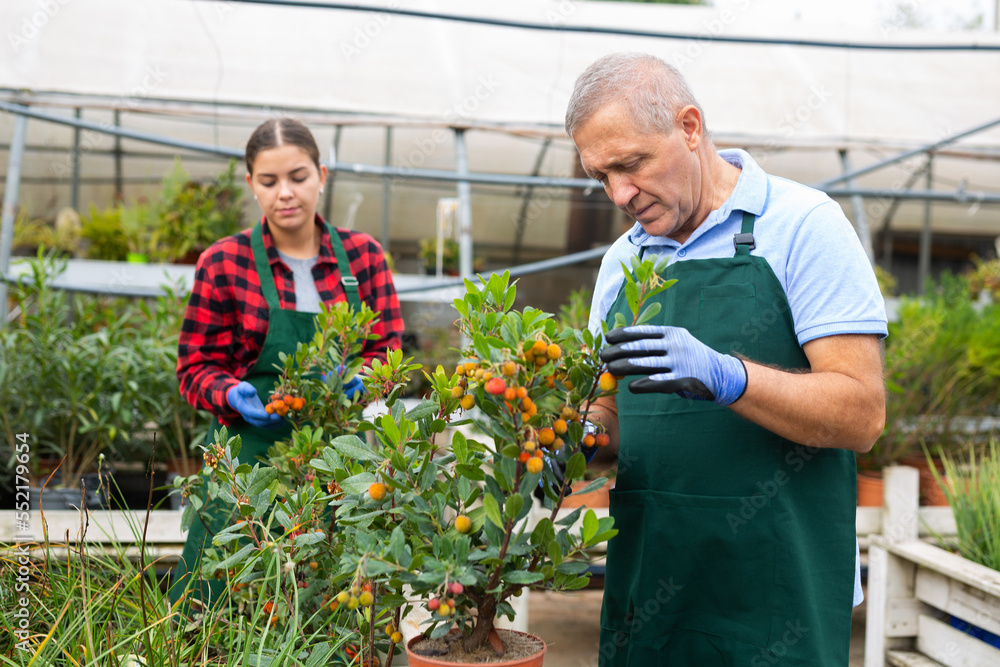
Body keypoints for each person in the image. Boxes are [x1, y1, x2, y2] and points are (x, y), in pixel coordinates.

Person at [567, 54, 886, 666]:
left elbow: (861, 414)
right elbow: (607, 414)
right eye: (601, 176)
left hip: (777, 592)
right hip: (651, 590)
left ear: (690, 128)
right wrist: (576, 439)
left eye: (631, 165)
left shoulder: (803, 227)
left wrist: (729, 378)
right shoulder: (622, 264)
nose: (620, 194)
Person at [170, 118, 404, 608]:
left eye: (298, 177)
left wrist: (362, 378)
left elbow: (389, 350)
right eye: (269, 181)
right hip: (246, 460)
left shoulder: (364, 258)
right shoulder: (223, 262)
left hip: (335, 460)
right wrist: (230, 393)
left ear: (321, 174)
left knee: (332, 597)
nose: (285, 194)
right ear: (251, 183)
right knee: (224, 600)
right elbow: (194, 366)